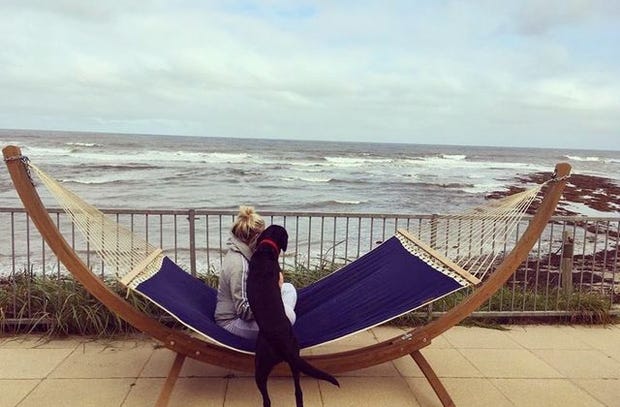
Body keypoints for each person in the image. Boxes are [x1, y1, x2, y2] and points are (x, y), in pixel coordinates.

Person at [214, 206, 297, 339]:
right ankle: (280, 331)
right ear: (256, 237)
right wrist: (272, 299)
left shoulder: (248, 253)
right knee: (289, 316)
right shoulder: (239, 265)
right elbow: (244, 312)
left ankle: (278, 326)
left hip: (255, 305)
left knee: (289, 289)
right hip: (232, 322)